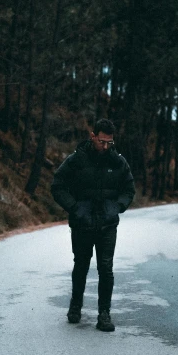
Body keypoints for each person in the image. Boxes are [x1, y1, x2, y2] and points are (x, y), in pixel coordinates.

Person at [51, 118, 135, 332]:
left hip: (107, 225)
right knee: (81, 265)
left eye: (110, 143)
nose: (105, 147)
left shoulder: (118, 162)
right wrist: (75, 208)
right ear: (92, 136)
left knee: (106, 268)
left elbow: (129, 189)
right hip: (82, 224)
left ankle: (104, 314)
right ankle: (75, 306)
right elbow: (57, 185)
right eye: (102, 142)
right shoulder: (76, 160)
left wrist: (117, 207)